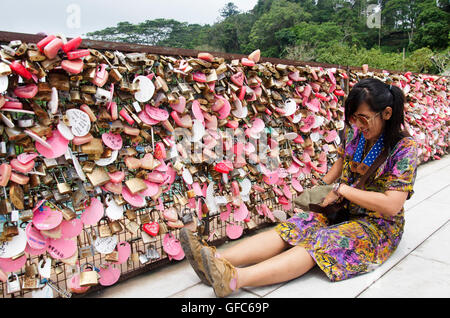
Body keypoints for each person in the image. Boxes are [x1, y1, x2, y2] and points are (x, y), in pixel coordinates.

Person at [180, 78, 419, 297]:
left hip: (377, 226)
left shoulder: (404, 148)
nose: (358, 124)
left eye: (364, 118)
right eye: (354, 118)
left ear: (386, 113)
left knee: (322, 240)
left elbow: (391, 205)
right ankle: (213, 259)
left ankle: (235, 280)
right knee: (297, 225)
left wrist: (341, 190)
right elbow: (341, 163)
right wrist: (321, 189)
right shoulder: (356, 133)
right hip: (343, 210)